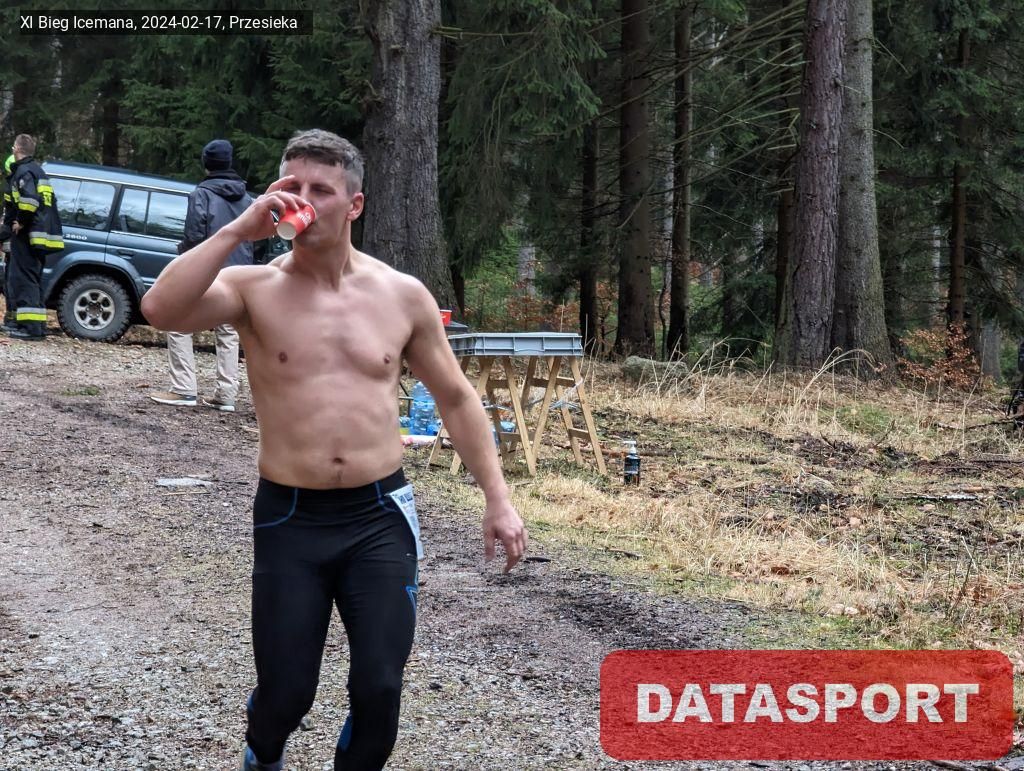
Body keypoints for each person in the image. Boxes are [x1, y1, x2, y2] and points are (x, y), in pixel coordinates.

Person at [140, 129, 527, 771]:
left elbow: (458, 399)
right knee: (287, 693)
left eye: (321, 189)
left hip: (380, 515)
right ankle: (263, 753)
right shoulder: (251, 288)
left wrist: (498, 498)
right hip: (291, 517)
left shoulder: (401, 295)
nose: (303, 200)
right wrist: (237, 230)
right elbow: (160, 308)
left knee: (380, 688)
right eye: (291, 186)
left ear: (354, 205)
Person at [148, 139, 253, 411]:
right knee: (228, 331)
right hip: (239, 273)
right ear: (229, 162)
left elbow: (194, 236)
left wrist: (184, 260)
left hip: (208, 272)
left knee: (178, 323)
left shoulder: (201, 195)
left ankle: (184, 389)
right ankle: (226, 396)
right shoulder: (247, 199)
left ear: (206, 163)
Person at [5, 135, 63, 341]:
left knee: (24, 279)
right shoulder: (38, 171)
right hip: (40, 236)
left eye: (13, 146)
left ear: (17, 149)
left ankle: (30, 330)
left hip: (28, 234)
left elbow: (30, 200)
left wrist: (20, 222)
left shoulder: (24, 171)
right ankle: (36, 326)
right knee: (33, 279)